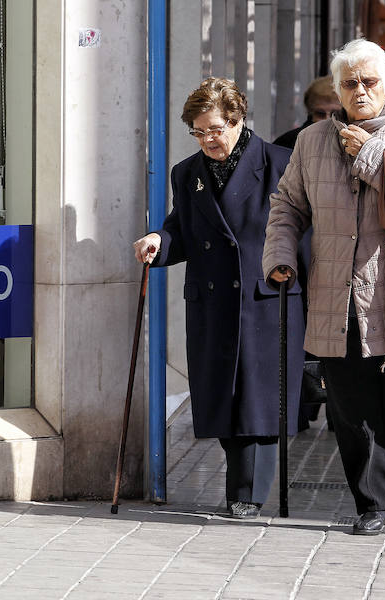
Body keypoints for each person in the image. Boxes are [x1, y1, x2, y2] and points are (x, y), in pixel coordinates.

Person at [263, 39, 385, 535]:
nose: (360, 90)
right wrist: (281, 255)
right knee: (351, 409)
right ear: (338, 89)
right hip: (335, 293)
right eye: (350, 83)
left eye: (370, 81)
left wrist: (371, 152)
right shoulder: (311, 141)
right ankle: (374, 504)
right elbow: (287, 206)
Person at [133, 77, 304, 519]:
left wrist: (298, 274)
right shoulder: (186, 173)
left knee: (259, 400)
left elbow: (309, 234)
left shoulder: (279, 163)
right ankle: (241, 490)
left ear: (238, 120)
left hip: (265, 297)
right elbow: (183, 230)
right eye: (199, 130)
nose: (208, 139)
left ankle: (246, 494)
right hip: (212, 301)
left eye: (215, 129)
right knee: (224, 398)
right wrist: (159, 241)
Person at [273, 75, 342, 149]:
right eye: (320, 114)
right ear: (310, 113)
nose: (327, 120)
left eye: (335, 114)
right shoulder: (287, 143)